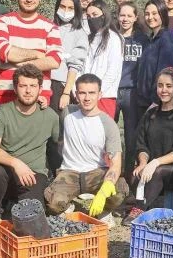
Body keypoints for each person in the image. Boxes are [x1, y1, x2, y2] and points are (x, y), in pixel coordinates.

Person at [0, 65, 60, 237]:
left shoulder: (50, 116)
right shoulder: (2, 114)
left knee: (30, 219)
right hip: (6, 171)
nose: (28, 91)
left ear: (40, 89)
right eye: (23, 86)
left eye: (33, 86)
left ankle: (13, 204)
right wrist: (16, 163)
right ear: (15, 88)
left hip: (33, 174)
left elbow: (60, 144)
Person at [44, 74, 129, 218]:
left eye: (92, 93)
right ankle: (67, 204)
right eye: (82, 93)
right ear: (76, 94)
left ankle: (104, 210)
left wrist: (104, 192)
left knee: (120, 190)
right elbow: (58, 139)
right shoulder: (67, 113)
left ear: (100, 94)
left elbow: (116, 164)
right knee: (53, 203)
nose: (87, 98)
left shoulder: (108, 124)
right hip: (69, 172)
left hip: (96, 172)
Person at [123, 68, 173, 226]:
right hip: (151, 167)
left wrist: (155, 162)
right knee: (135, 172)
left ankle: (139, 209)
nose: (164, 90)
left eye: (168, 86)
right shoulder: (150, 114)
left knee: (158, 171)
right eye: (160, 85)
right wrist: (143, 162)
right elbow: (141, 144)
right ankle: (145, 203)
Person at [0, 0, 62, 105]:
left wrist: (14, 63)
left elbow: (54, 61)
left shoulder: (51, 27)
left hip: (38, 100)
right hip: (5, 98)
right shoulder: (2, 21)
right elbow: (3, 51)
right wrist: (37, 54)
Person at [48, 0, 89, 172]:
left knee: (58, 135)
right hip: (43, 84)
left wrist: (66, 92)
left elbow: (75, 65)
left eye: (70, 8)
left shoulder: (79, 32)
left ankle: (59, 173)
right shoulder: (49, 27)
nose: (65, 11)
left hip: (60, 87)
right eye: (62, 7)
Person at [115, 2, 149, 178]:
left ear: (136, 18)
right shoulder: (112, 37)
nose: (125, 19)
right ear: (117, 16)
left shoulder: (142, 39)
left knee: (131, 138)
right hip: (112, 91)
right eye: (122, 15)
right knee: (109, 137)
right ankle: (108, 175)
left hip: (133, 93)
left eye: (129, 15)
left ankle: (128, 178)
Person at [136, 0, 173, 116]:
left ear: (162, 14)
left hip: (158, 105)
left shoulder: (167, 39)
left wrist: (156, 102)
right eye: (147, 14)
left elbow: (166, 74)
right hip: (144, 102)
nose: (150, 17)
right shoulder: (151, 40)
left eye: (154, 13)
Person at [84, 0, 124, 118]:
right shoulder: (88, 37)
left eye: (95, 15)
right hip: (85, 95)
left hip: (104, 96)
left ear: (104, 15)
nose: (91, 18)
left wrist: (97, 92)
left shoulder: (114, 38)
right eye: (88, 16)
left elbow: (113, 69)